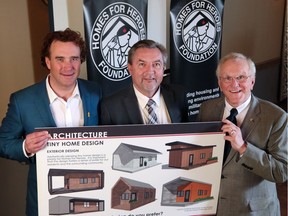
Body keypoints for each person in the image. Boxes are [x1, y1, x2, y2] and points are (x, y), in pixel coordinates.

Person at [0, 28, 102, 216]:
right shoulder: (22, 101)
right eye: (60, 59)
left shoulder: (97, 93)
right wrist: (26, 147)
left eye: (74, 59)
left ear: (81, 61)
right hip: (46, 199)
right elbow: (3, 142)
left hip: (92, 195)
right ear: (48, 62)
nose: (68, 66)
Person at [197, 52, 287, 215]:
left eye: (241, 77)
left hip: (253, 210)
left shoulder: (276, 117)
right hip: (211, 207)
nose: (234, 84)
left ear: (252, 81)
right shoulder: (207, 109)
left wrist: (244, 148)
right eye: (227, 78)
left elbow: (281, 172)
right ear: (219, 82)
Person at [100, 39, 188, 125]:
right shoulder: (110, 107)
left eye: (156, 64)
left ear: (163, 68)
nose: (150, 71)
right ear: (130, 69)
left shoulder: (179, 96)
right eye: (142, 64)